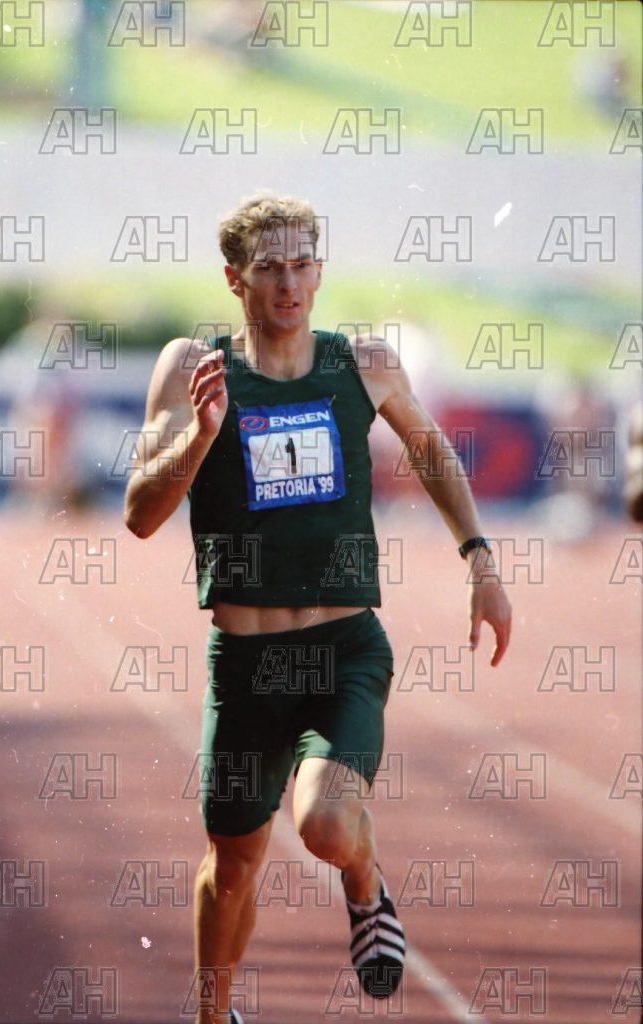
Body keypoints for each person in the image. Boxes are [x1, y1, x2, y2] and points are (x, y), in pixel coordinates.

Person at [124, 193, 512, 1024]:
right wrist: (200, 436)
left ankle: (364, 882)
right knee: (232, 866)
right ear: (234, 279)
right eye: (269, 268)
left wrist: (479, 559)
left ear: (320, 270)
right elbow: (139, 513)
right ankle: (213, 1015)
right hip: (245, 664)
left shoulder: (362, 362)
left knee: (327, 824)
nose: (289, 284)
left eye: (302, 265)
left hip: (343, 650)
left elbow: (429, 450)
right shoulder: (193, 366)